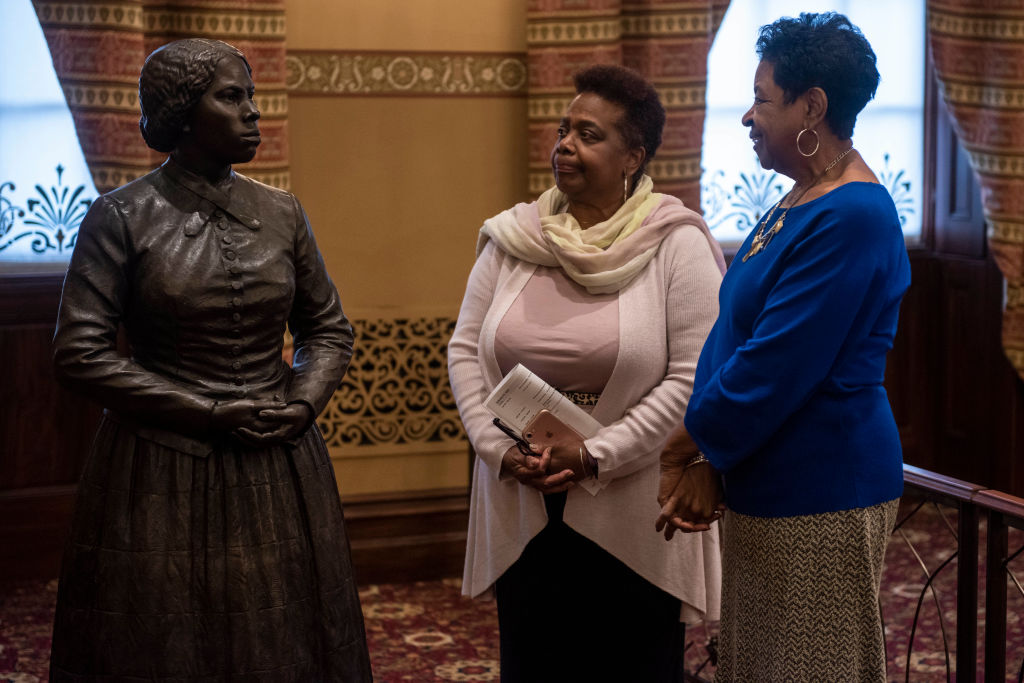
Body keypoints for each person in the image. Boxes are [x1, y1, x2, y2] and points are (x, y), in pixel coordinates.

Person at [49, 38, 372, 681]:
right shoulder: (121, 216)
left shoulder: (282, 212)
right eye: (231, 97)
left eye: (250, 95)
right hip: (158, 464)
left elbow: (328, 329)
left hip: (278, 457)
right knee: (165, 637)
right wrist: (206, 411)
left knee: (285, 635)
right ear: (182, 112)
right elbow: (78, 353)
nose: (253, 111)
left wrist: (304, 402)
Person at [449, 64, 726, 683]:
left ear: (633, 156)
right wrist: (498, 450)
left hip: (631, 510)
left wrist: (595, 455)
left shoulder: (675, 243)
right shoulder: (512, 237)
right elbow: (464, 352)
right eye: (563, 130)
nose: (566, 145)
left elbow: (693, 376)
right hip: (524, 494)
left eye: (588, 135)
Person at [656, 12, 911, 682]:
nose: (748, 116)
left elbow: (778, 362)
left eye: (762, 99)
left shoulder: (853, 215)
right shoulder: (801, 196)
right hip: (766, 472)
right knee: (762, 662)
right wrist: (706, 449)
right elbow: (734, 331)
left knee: (808, 666)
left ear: (812, 107)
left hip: (822, 481)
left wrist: (689, 443)